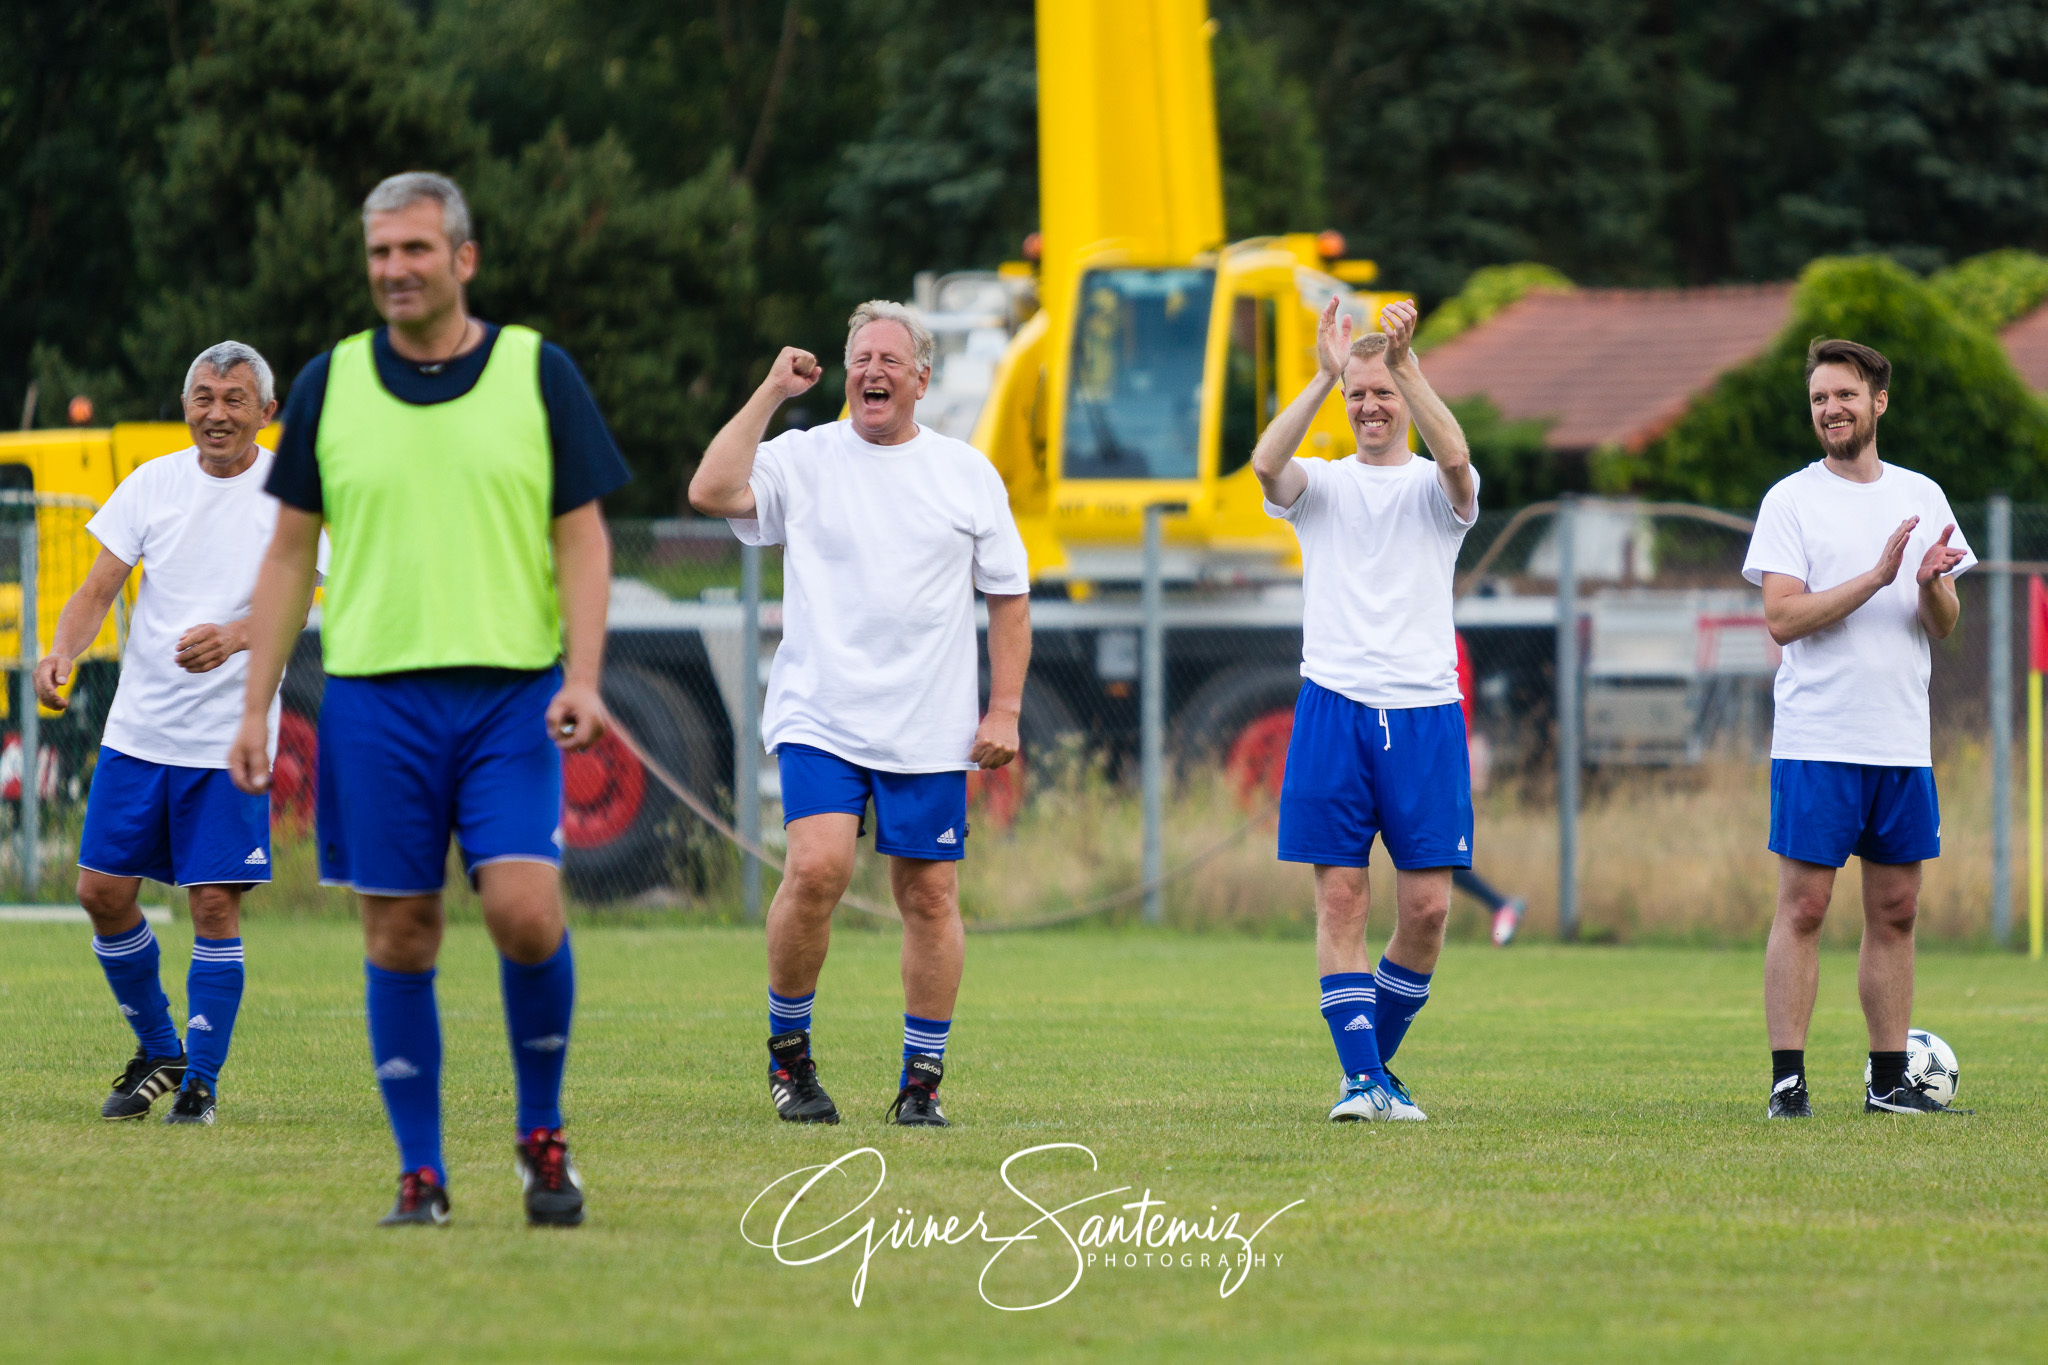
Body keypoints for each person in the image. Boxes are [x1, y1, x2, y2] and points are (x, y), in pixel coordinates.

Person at [228, 172, 629, 1225]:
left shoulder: (538, 371)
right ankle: (421, 1175)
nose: (395, 269)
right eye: (379, 252)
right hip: (375, 705)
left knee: (525, 914)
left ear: (463, 258)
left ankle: (542, 1137)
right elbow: (288, 555)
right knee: (400, 935)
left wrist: (585, 675)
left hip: (510, 700)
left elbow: (583, 537)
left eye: (414, 249)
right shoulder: (330, 381)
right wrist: (254, 708)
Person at [688, 300, 1031, 1128]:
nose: (872, 371)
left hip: (929, 725)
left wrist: (1005, 709)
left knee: (929, 896)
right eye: (860, 359)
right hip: (822, 713)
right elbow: (711, 489)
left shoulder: (965, 472)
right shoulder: (803, 457)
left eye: (889, 360)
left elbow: (1009, 596)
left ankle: (921, 1083)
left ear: (922, 379)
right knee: (817, 869)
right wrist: (773, 391)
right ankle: (791, 1060)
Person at [38, 341, 313, 1127]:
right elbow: (97, 589)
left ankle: (201, 1084)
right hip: (139, 732)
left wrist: (233, 636)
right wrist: (62, 651)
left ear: (266, 412)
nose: (216, 413)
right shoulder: (152, 482)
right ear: (187, 404)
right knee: (100, 893)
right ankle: (161, 1049)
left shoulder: (291, 493)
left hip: (229, 739)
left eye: (234, 399)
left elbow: (296, 604)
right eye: (203, 397)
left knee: (214, 905)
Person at [1251, 295, 1479, 1123]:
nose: (1370, 406)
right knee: (1342, 900)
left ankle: (1371, 1071)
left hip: (1425, 714)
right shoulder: (1323, 484)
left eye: (1382, 392)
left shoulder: (1437, 488)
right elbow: (1265, 464)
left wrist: (1407, 367)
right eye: (1359, 394)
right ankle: (1360, 1082)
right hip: (1333, 709)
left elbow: (1457, 460)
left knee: (1427, 910)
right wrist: (1322, 376)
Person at [1744, 338, 1971, 1119]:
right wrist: (1875, 576)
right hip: (1818, 739)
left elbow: (1943, 622)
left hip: (1901, 740)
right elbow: (1782, 616)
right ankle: (1788, 1081)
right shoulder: (1791, 500)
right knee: (1805, 906)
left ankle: (1887, 1080)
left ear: (1878, 402)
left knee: (1897, 910)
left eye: (1844, 395)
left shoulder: (1922, 494)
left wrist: (1930, 583)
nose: (1831, 409)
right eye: (1819, 398)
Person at [1453, 630, 1525, 945]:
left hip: (1443, 762)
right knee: (1436, 858)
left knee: (1440, 857)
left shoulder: (1446, 641)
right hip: (1443, 759)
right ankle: (1501, 905)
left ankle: (1502, 905)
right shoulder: (1445, 639)